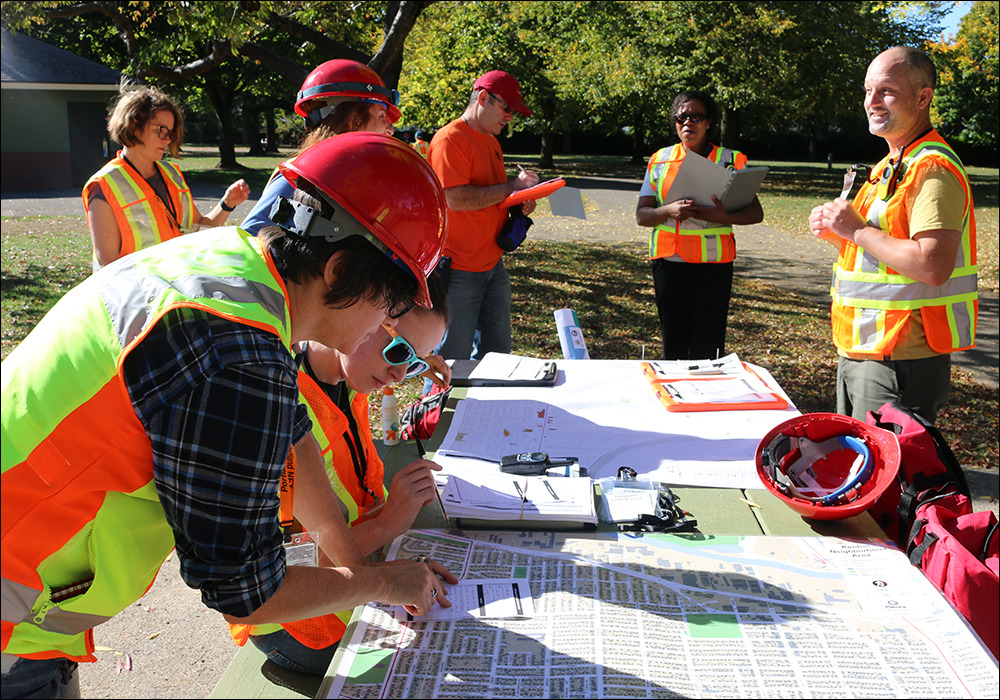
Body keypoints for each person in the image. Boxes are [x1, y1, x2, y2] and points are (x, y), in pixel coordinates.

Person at [1, 133, 454, 698]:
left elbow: (297, 442)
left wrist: (363, 573)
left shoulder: (245, 282)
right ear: (338, 271)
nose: (386, 322)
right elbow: (245, 590)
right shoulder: (235, 355)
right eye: (390, 304)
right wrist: (382, 581)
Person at [229, 274, 453, 675]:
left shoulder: (350, 380)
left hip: (355, 581)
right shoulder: (278, 407)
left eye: (416, 361)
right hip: (301, 626)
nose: (402, 376)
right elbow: (282, 566)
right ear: (364, 316)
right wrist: (387, 526)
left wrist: (395, 571)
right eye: (400, 352)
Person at [809, 46, 977, 424]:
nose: (872, 101)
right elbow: (880, 248)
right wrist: (838, 232)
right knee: (863, 473)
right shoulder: (892, 163)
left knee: (892, 479)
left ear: (923, 97)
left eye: (886, 90)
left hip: (899, 361)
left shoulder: (930, 169)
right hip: (865, 351)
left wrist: (855, 229)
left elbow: (932, 265)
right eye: (868, 91)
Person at [636, 90, 764, 361]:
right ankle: (675, 396)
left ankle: (708, 398)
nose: (688, 123)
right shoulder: (659, 159)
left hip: (713, 267)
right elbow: (642, 215)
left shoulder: (731, 160)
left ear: (709, 123)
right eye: (681, 117)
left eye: (696, 117)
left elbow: (755, 213)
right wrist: (668, 210)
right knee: (674, 344)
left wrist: (719, 215)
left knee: (709, 344)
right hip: (668, 263)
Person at [427, 70, 540, 362]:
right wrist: (513, 186)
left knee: (498, 357)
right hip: (459, 269)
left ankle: (488, 409)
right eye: (506, 108)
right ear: (483, 98)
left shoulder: (491, 141)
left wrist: (520, 202)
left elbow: (494, 195)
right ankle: (437, 409)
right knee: (451, 360)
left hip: (492, 265)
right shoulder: (450, 139)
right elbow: (454, 199)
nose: (510, 117)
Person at [83, 86, 250, 270]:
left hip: (177, 288)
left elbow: (198, 230)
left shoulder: (171, 174)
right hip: (137, 295)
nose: (168, 140)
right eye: (161, 130)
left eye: (171, 133)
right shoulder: (104, 185)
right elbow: (109, 267)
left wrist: (227, 203)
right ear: (134, 124)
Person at [242, 59, 401, 235]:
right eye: (381, 116)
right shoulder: (300, 178)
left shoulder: (357, 176)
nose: (390, 129)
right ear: (353, 120)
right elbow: (250, 241)